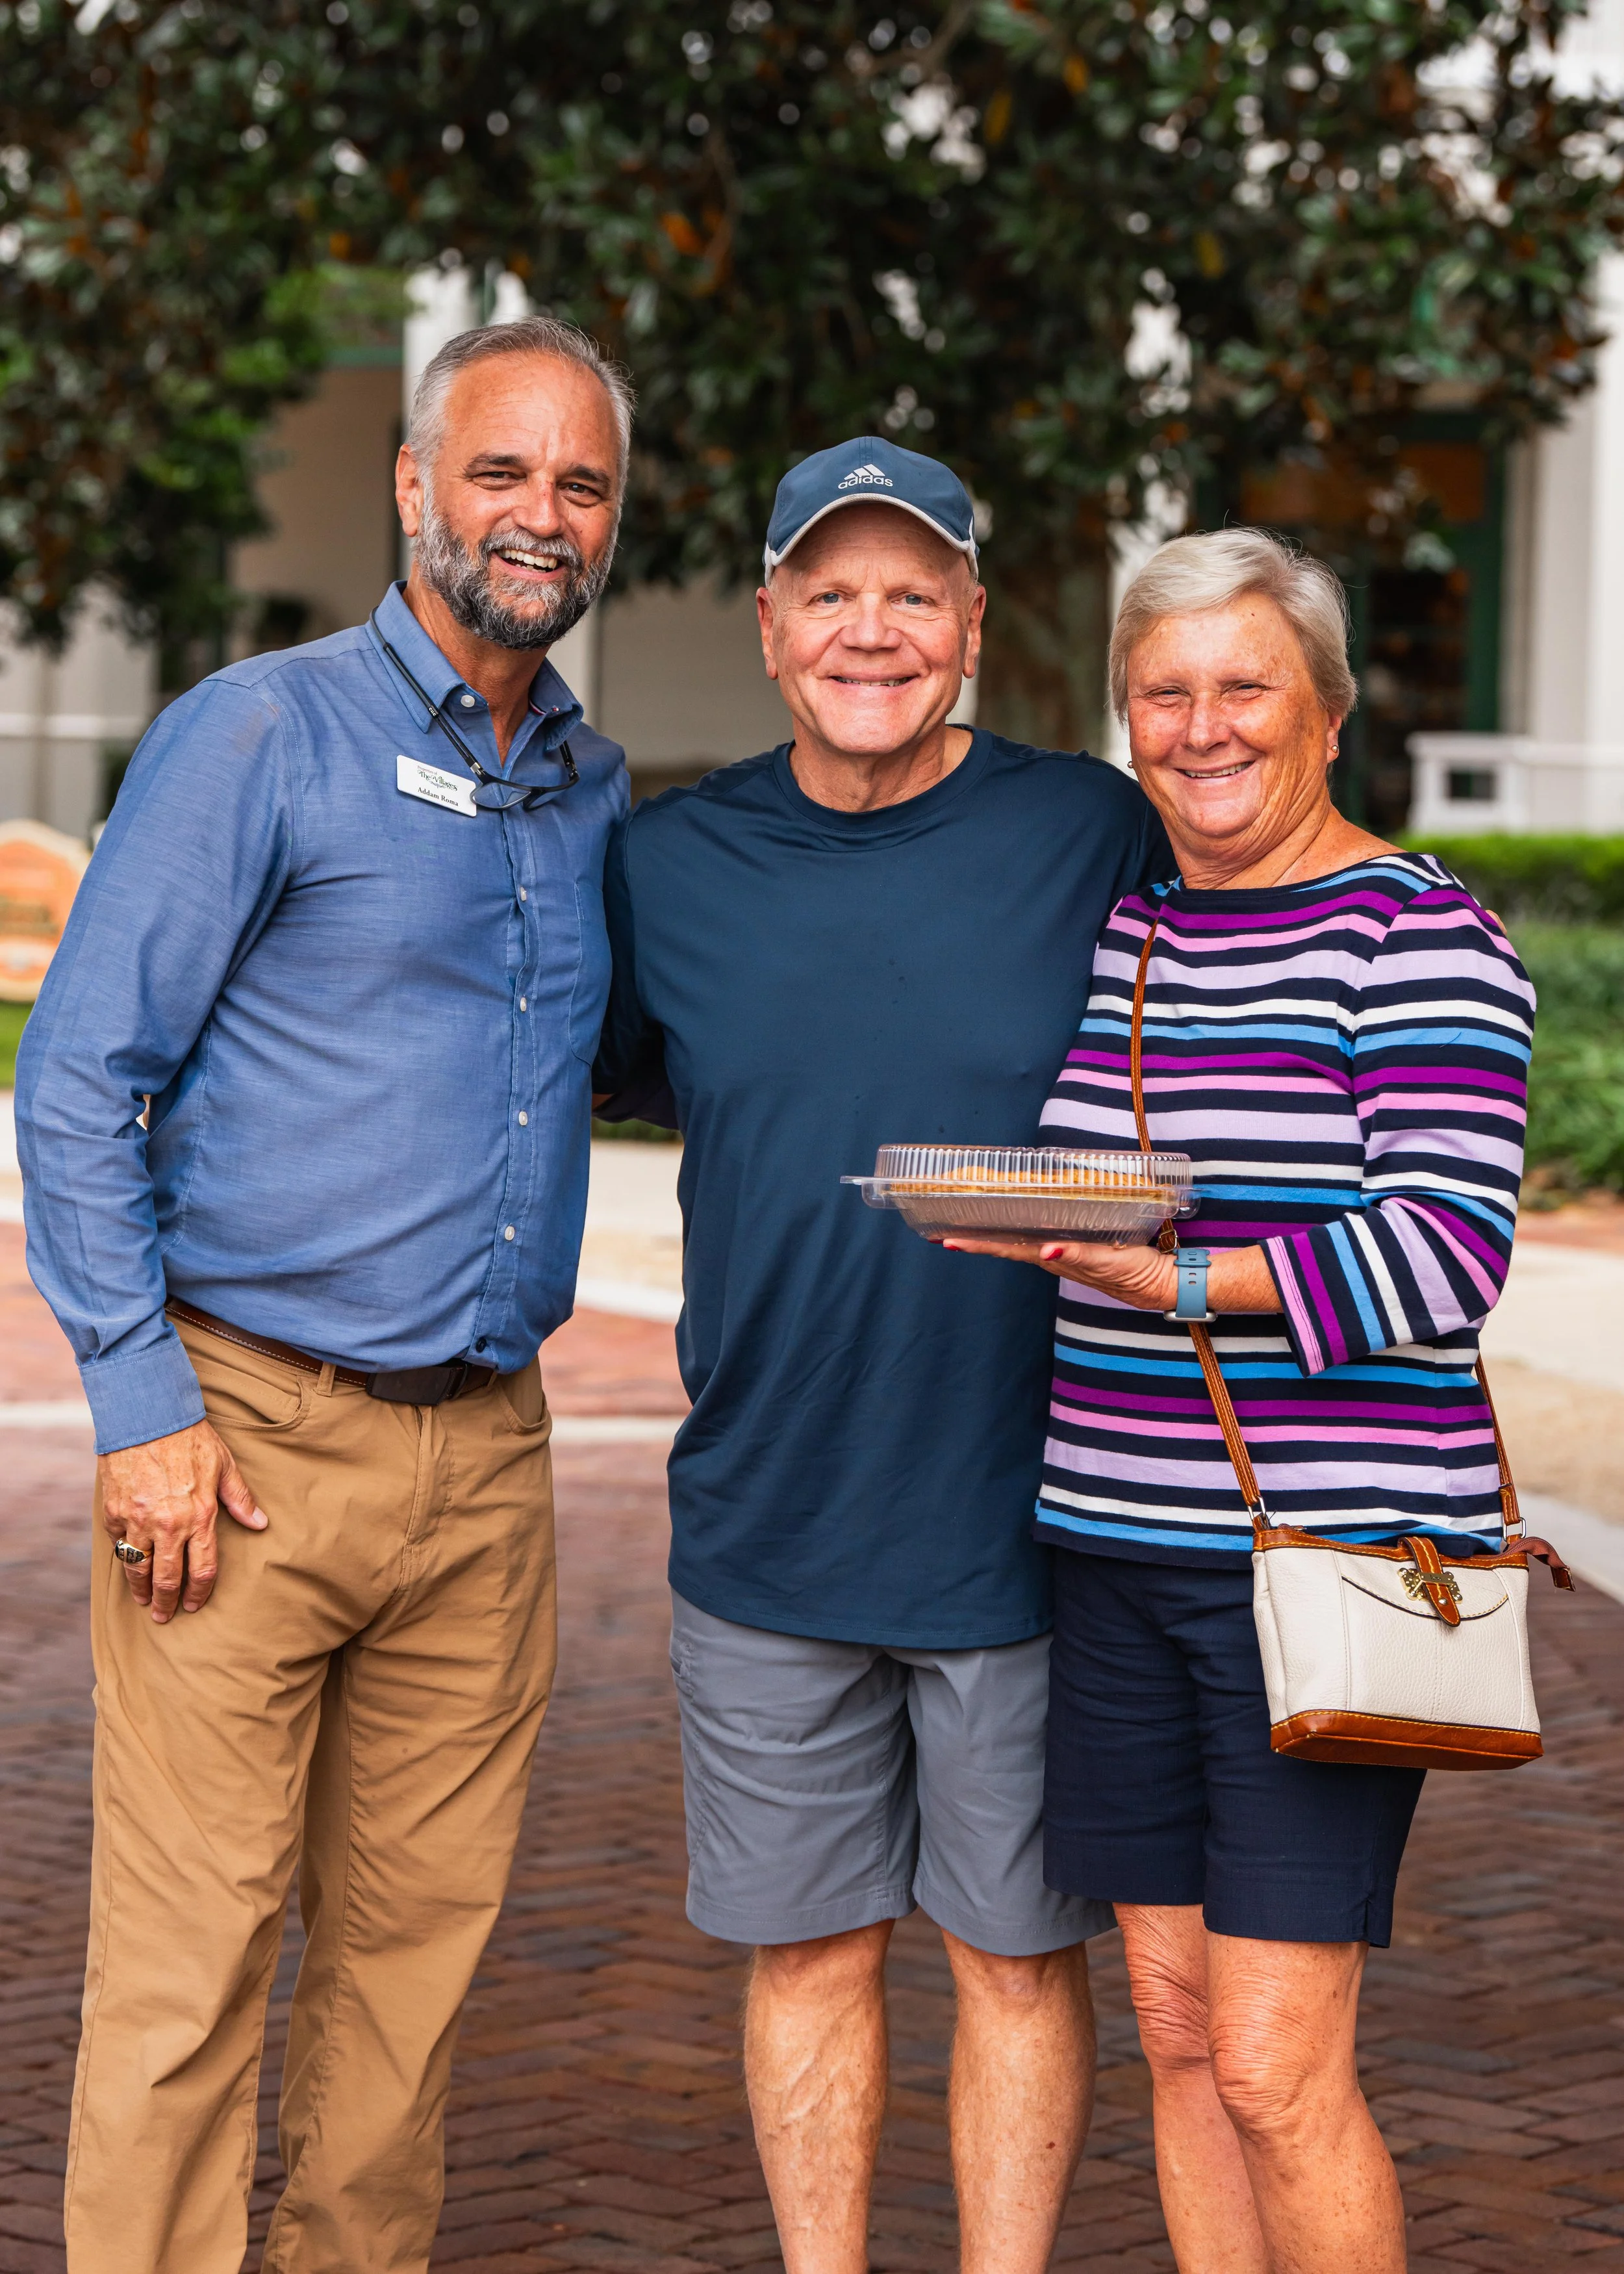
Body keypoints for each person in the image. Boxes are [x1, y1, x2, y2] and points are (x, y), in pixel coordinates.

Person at [17, 316, 631, 2274]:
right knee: (187, 1981)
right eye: (503, 471)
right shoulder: (259, 732)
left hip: (487, 1468)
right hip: (243, 1445)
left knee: (408, 1988)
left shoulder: (596, 788)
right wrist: (141, 1405)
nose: (541, 515)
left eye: (583, 484)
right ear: (412, 485)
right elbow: (76, 1078)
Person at [593, 435, 1170, 2274]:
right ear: (767, 626)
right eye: (828, 592)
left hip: (1037, 1514)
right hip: (767, 1517)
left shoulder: (1088, 830)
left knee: (1017, 1952)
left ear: (975, 626)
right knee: (809, 1952)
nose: (869, 630)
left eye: (910, 593)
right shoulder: (665, 866)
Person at [945, 526, 1536, 2274]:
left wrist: (1180, 1279)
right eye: (1162, 694)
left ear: (1327, 710)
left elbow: (1442, 1258)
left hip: (1323, 1568)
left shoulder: (1416, 937)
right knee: (1179, 2026)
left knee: (1278, 2064)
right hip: (1110, 1547)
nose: (1200, 728)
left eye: (1241, 688)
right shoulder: (1132, 933)